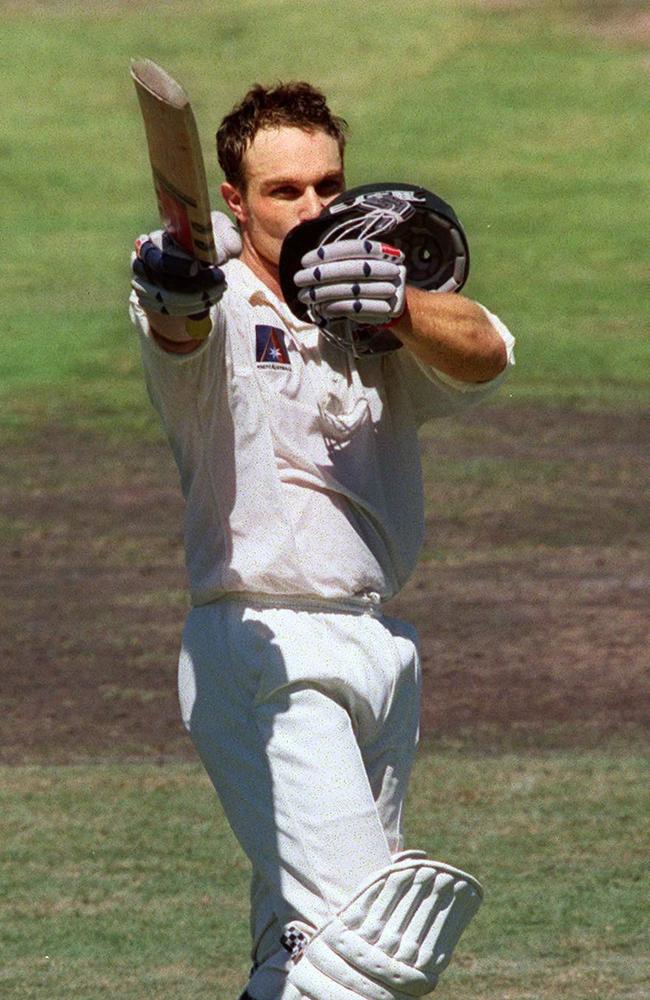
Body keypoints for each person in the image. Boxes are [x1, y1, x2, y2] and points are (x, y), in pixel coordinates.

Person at [129, 81, 514, 1000]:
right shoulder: (208, 295)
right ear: (235, 201)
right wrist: (178, 289)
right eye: (283, 191)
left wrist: (397, 305)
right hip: (266, 645)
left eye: (327, 186)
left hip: (380, 648)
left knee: (299, 955)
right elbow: (176, 320)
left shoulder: (371, 303)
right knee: (376, 954)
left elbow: (489, 349)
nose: (311, 208)